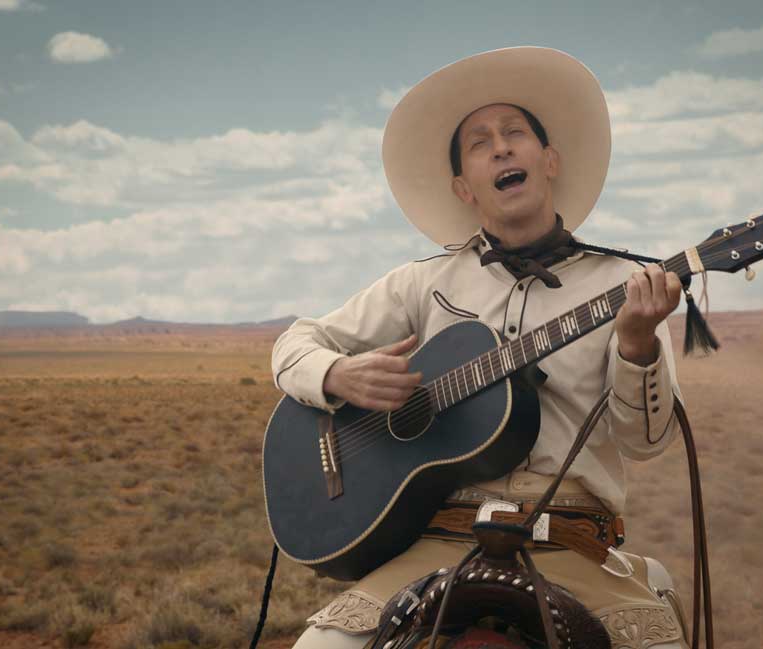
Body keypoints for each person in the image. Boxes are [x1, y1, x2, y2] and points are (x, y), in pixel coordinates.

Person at [272, 47, 690, 649]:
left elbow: (647, 442)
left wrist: (637, 345)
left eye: (514, 132)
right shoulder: (424, 281)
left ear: (548, 160)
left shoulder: (622, 287)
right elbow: (294, 343)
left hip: (571, 539)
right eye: (479, 142)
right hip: (438, 536)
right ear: (464, 187)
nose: (500, 146)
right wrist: (338, 374)